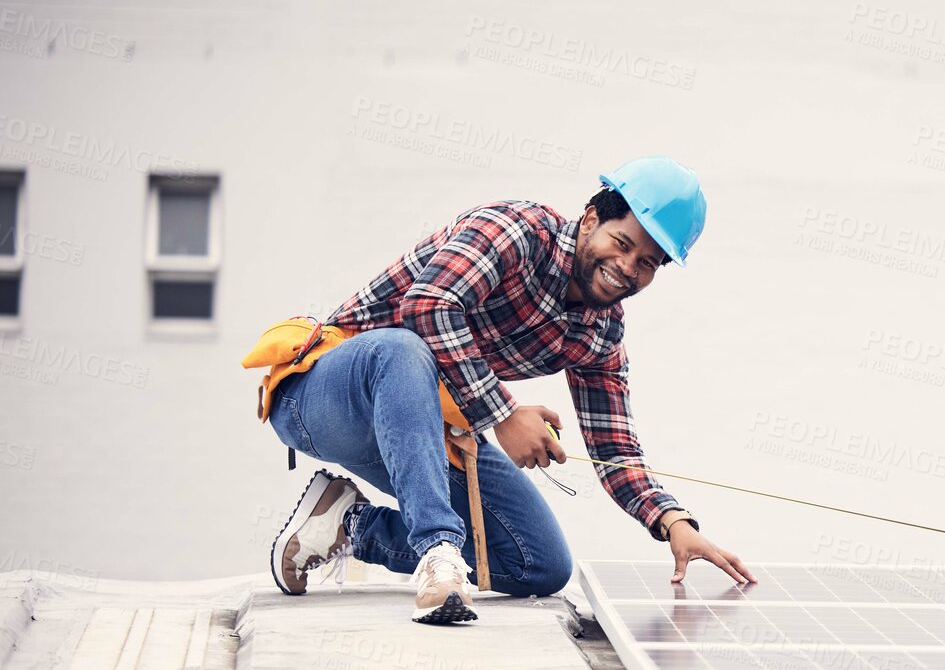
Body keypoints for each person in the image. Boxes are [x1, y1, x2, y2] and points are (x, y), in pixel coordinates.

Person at [263, 156, 754, 624]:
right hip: (322, 397)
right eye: (622, 243)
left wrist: (674, 523)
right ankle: (439, 557)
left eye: (647, 262)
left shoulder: (600, 333)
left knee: (538, 564)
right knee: (401, 349)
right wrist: (502, 413)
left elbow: (614, 447)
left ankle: (346, 525)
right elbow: (428, 306)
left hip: (417, 431)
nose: (628, 267)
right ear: (589, 221)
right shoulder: (517, 230)